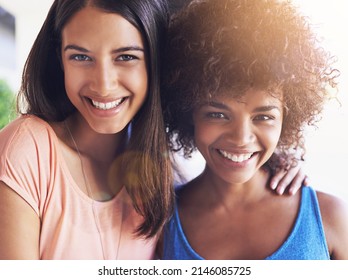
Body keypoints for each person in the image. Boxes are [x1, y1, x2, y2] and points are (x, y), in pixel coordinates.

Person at [0, 0, 306, 260]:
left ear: (156, 65)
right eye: (81, 56)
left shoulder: (157, 175)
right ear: (60, 60)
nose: (103, 84)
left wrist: (274, 162)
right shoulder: (28, 150)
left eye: (126, 57)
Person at [161, 0, 348, 260]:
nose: (241, 138)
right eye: (217, 114)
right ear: (186, 111)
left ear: (288, 117)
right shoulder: (160, 225)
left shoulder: (331, 219)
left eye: (263, 117)